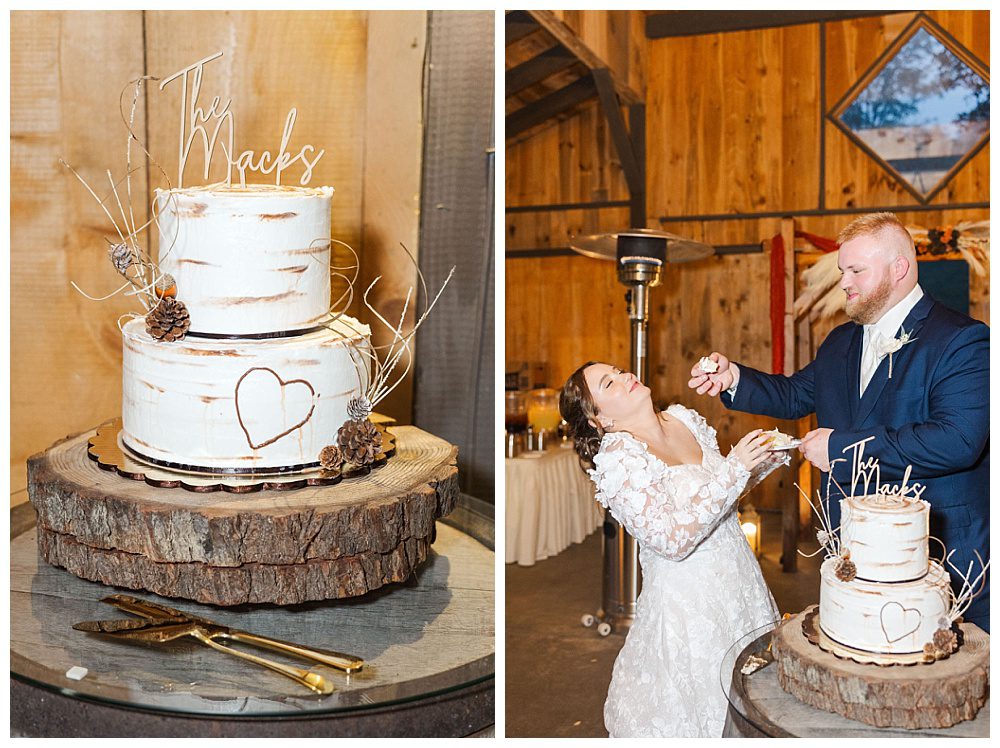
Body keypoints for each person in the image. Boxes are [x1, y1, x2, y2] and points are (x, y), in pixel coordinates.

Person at [687, 212, 989, 632]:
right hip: (852, 545)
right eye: (843, 269)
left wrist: (840, 449)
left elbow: (958, 441)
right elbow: (796, 395)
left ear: (898, 268)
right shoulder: (840, 341)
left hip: (938, 549)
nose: (844, 281)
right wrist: (734, 378)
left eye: (855, 270)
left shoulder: (962, 340)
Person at [560, 361, 786, 738]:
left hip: (742, 585)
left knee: (762, 701)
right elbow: (672, 541)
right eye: (609, 383)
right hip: (690, 609)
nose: (625, 376)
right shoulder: (619, 460)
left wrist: (758, 464)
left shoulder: (684, 419)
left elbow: (718, 499)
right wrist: (736, 469)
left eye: (618, 370)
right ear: (599, 420)